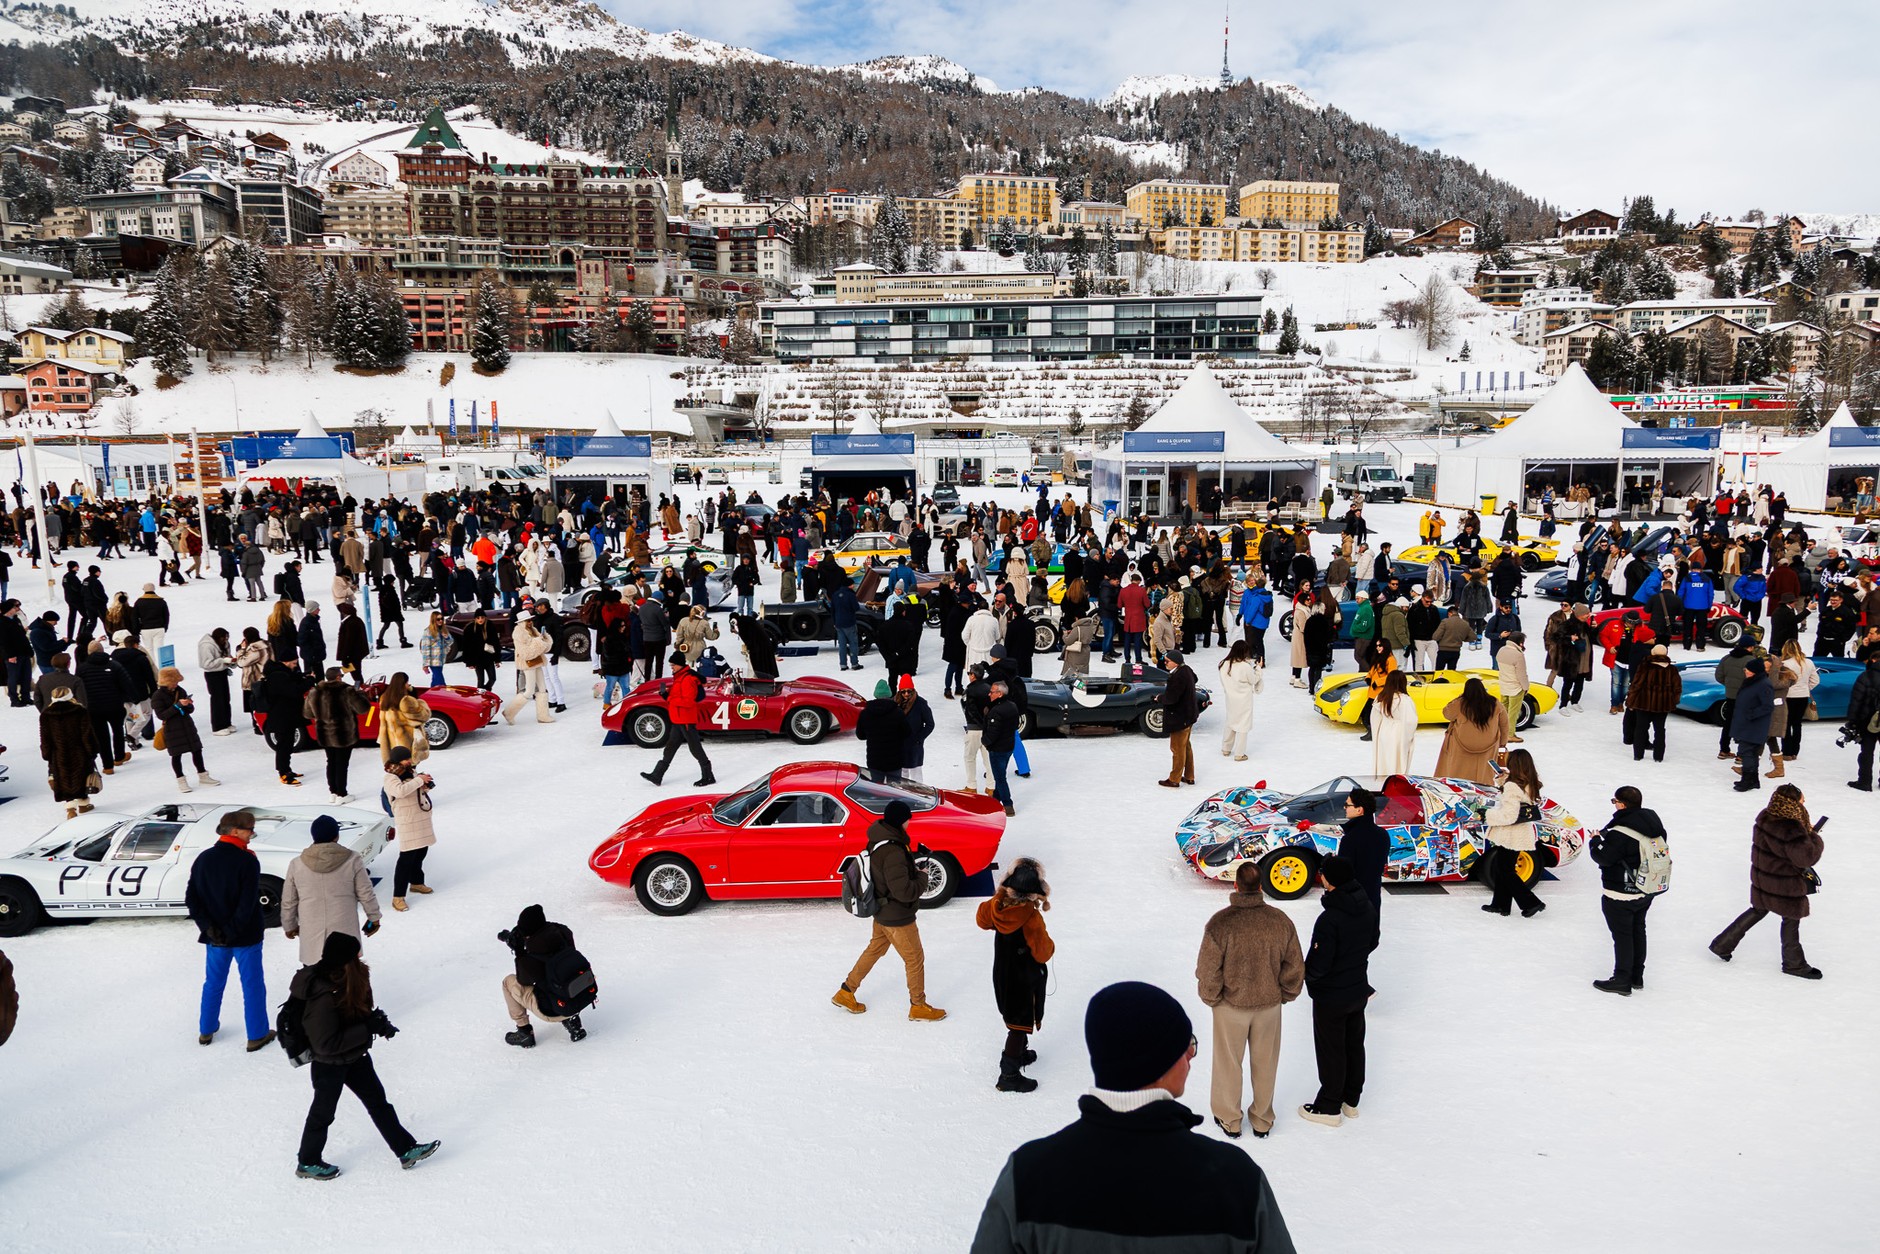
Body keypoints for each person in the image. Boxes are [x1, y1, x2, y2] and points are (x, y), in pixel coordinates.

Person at [969, 980, 1294, 1253]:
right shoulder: (1237, 1182)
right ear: (1162, 1061)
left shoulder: (1027, 1176)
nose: (1191, 1059)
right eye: (1187, 1048)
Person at [291, 933, 439, 1180]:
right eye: (355, 953)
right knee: (323, 1114)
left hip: (355, 1056)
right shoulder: (322, 995)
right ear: (343, 958)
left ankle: (405, 1149)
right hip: (329, 1064)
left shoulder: (353, 976)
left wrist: (376, 1023)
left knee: (379, 1104)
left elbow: (357, 1012)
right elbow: (325, 1044)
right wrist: (366, 1028)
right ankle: (307, 1162)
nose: (360, 956)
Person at [1195, 861, 1303, 1140]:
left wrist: (1212, 997)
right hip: (1269, 1005)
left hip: (1230, 1006)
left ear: (1236, 885)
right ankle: (1262, 1120)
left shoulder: (1221, 923)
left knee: (1228, 1063)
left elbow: (1208, 968)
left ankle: (1230, 1119)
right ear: (1261, 886)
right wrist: (1286, 993)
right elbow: (1294, 965)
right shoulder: (1280, 920)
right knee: (1266, 1063)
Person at [832, 800, 946, 1021]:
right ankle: (918, 1005)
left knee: (874, 950)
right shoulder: (893, 850)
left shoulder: (879, 839)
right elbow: (904, 891)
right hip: (897, 916)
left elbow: (889, 875)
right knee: (914, 959)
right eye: (908, 819)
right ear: (901, 821)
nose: (909, 823)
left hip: (881, 912)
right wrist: (922, 876)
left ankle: (846, 992)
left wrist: (911, 867)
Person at [1707, 784, 1825, 978]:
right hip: (1783, 880)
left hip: (1764, 875)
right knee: (1791, 917)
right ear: (1793, 803)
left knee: (1759, 909)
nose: (1804, 804)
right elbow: (1805, 858)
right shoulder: (1790, 827)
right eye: (1802, 801)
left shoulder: (1766, 815)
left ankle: (1722, 944)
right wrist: (1813, 838)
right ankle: (1794, 964)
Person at [185, 810, 274, 1051]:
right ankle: (257, 1034)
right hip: (245, 937)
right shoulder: (247, 860)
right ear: (235, 831)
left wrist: (210, 928)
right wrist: (232, 931)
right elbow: (247, 904)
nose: (252, 834)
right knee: (252, 984)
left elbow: (192, 898)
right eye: (249, 830)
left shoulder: (203, 858)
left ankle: (206, 1030)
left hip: (215, 938)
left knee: (213, 983)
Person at [1298, 856, 1377, 1128]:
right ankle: (1351, 1101)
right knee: (1354, 1045)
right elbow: (1372, 940)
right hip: (1357, 989)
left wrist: (1307, 978)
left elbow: (1320, 964)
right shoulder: (1365, 905)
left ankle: (1329, 1106)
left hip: (1332, 995)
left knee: (1331, 1050)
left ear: (1330, 881)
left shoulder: (1330, 918)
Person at [974, 858, 1056, 1093]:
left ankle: (1019, 1054)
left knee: (1014, 1016)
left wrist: (998, 896)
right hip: (1023, 977)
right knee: (1018, 1025)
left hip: (1003, 972)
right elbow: (1042, 953)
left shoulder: (997, 907)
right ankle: (1008, 1074)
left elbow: (982, 920)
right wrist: (1051, 946)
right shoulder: (1030, 917)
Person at [1588, 786, 1666, 996]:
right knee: (1638, 931)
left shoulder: (1620, 832)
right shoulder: (1653, 826)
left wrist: (1595, 841)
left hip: (1619, 893)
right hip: (1645, 890)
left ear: (1621, 804)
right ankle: (1636, 976)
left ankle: (1622, 979)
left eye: (1615, 801)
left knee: (1622, 936)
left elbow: (1603, 857)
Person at [282, 814, 383, 966]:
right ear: (336, 835)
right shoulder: (352, 860)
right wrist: (374, 917)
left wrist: (289, 925)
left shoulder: (297, 864)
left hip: (312, 933)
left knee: (315, 979)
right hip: (345, 931)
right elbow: (365, 892)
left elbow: (289, 899)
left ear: (313, 836)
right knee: (347, 976)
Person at [498, 904, 589, 1047]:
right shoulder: (563, 933)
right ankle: (572, 1022)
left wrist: (519, 951)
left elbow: (524, 980)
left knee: (508, 982)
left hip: (550, 1010)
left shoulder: (534, 952)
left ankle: (524, 1032)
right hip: (579, 997)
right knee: (560, 979)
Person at [1482, 748, 1547, 918]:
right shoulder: (1530, 782)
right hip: (1521, 832)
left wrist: (1486, 815)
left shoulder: (1513, 786)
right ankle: (1500, 905)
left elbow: (1509, 815)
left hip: (1510, 833)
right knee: (1503, 869)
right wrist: (1503, 781)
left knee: (1505, 871)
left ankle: (1531, 903)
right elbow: (1518, 797)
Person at [639, 652, 714, 787]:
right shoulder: (679, 678)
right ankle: (657, 775)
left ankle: (708, 776)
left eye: (673, 665)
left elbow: (688, 702)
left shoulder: (688, 679)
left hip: (686, 720)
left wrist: (670, 698)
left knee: (695, 748)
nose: (671, 667)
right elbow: (677, 697)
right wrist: (667, 695)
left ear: (680, 665)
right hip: (678, 720)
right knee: (670, 747)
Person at [307, 667, 373, 803]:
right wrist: (361, 695)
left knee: (331, 762)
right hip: (344, 733)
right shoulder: (347, 691)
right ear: (338, 677)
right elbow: (363, 709)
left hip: (324, 733)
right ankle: (342, 794)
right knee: (342, 763)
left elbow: (308, 713)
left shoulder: (315, 691)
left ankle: (333, 792)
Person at [382, 747, 437, 911]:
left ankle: (416, 882)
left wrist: (425, 785)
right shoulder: (390, 777)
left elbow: (414, 790)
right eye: (406, 759)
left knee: (421, 851)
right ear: (397, 760)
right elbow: (400, 792)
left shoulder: (411, 772)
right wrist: (419, 780)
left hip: (419, 817)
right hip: (407, 820)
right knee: (406, 858)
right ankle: (398, 897)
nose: (409, 761)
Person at [152, 666, 219, 793]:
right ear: (167, 681)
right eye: (174, 681)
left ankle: (203, 775)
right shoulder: (157, 696)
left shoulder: (180, 690)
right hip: (172, 729)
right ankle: (181, 781)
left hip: (187, 726)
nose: (177, 684)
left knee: (197, 750)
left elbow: (190, 710)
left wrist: (188, 704)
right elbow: (162, 715)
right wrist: (177, 706)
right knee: (176, 756)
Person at [1432, 677, 1509, 784]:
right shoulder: (1495, 703)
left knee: (1459, 773)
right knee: (1483, 774)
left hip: (1460, 748)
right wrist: (1502, 744)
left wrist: (1459, 698)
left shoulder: (1460, 704)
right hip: (1488, 749)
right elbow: (1504, 725)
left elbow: (1447, 713)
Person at [39, 685, 96, 818]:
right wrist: (92, 750)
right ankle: (83, 803)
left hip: (57, 753)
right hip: (79, 751)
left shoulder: (46, 714)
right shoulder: (80, 710)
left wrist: (46, 754)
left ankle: (70, 807)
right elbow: (87, 734)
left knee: (62, 777)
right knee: (82, 775)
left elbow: (45, 738)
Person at [260, 656, 313, 786]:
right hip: (281, 717)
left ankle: (287, 770)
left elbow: (293, 683)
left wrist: (303, 677)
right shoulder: (277, 676)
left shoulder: (283, 673)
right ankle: (283, 773)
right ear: (286, 661)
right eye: (294, 663)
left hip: (286, 716)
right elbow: (294, 691)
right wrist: (310, 681)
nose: (296, 665)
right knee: (283, 745)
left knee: (288, 744)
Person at [1623, 644, 1682, 763]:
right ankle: (1658, 756)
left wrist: (1630, 701)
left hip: (1643, 704)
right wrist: (1672, 702)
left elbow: (1636, 685)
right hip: (1662, 706)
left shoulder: (1644, 667)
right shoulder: (1672, 670)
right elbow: (1677, 689)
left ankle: (1638, 755)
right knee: (1660, 730)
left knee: (1640, 729)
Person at [1338, 787, 1388, 916]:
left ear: (1359, 810)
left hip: (1352, 902)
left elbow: (1343, 875)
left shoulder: (1350, 839)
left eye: (1347, 805)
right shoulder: (1383, 835)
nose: (1344, 808)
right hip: (1373, 899)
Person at [1729, 657, 1776, 792]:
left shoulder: (1764, 684)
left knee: (1747, 752)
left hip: (1754, 725)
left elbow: (1767, 706)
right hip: (1748, 724)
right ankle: (1752, 780)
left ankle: (1748, 780)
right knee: (1750, 753)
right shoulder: (1752, 682)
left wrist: (1751, 714)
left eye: (1748, 670)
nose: (1746, 672)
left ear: (1755, 671)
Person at [502, 610, 556, 725]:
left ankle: (543, 715)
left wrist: (545, 638)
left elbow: (544, 648)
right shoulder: (518, 633)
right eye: (528, 620)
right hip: (527, 663)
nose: (530, 622)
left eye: (531, 620)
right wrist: (538, 641)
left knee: (542, 688)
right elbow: (526, 653)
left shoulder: (533, 630)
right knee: (529, 690)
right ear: (522, 622)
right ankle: (509, 712)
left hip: (537, 661)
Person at [1155, 648, 1199, 789]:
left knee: (1177, 748)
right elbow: (1195, 678)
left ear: (1176, 662)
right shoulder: (1186, 670)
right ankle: (1189, 776)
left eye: (1167, 661)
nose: (1165, 663)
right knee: (1186, 746)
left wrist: (1159, 698)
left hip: (1180, 718)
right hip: (1189, 715)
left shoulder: (1178, 676)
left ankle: (1174, 779)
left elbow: (1171, 698)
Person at [856, 678, 911, 781]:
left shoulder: (865, 713)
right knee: (895, 790)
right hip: (895, 760)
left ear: (875, 695)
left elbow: (860, 735)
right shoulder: (897, 712)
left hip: (875, 760)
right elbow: (907, 732)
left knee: (877, 791)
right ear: (889, 694)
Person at [1217, 641, 1262, 761]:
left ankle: (1226, 748)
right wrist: (1258, 669)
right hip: (1244, 700)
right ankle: (1239, 753)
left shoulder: (1224, 664)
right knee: (1243, 725)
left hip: (1230, 698)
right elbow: (1253, 680)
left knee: (1230, 722)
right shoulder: (1244, 666)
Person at [982, 678, 1020, 817]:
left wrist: (985, 741)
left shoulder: (996, 711)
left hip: (997, 749)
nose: (989, 694)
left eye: (992, 692)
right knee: (1000, 774)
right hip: (1009, 747)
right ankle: (995, 800)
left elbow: (993, 733)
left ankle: (1008, 804)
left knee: (1000, 778)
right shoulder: (1012, 706)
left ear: (999, 694)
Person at [1369, 671, 1417, 775]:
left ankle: (1382, 782)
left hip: (1384, 731)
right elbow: (1410, 721)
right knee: (1397, 762)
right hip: (1399, 733)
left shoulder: (1381, 697)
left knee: (1384, 760)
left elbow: (1374, 718)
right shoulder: (1405, 700)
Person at [1846, 651, 1880, 791]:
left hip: (1867, 720)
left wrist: (1852, 721)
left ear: (1873, 660)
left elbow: (1856, 700)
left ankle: (1865, 781)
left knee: (1866, 752)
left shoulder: (1865, 677)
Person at [1495, 631, 1530, 743]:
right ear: (1520, 642)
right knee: (1513, 712)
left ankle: (1500, 732)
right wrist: (1525, 687)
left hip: (1504, 684)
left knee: (1503, 711)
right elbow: (1521, 674)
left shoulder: (1501, 650)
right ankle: (1510, 734)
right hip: (1515, 687)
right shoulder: (1518, 655)